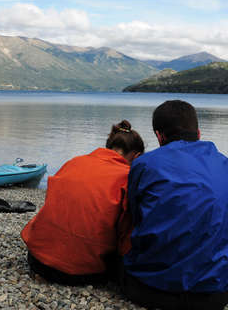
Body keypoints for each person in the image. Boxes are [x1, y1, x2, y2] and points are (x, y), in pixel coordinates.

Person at [122, 100, 228, 310]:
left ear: (159, 136)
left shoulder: (144, 164)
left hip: (150, 289)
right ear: (198, 133)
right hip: (215, 293)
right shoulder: (224, 164)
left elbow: (134, 215)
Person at [21, 120, 144, 285]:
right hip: (80, 273)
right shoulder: (127, 177)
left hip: (37, 259)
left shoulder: (74, 162)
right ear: (137, 156)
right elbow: (125, 238)